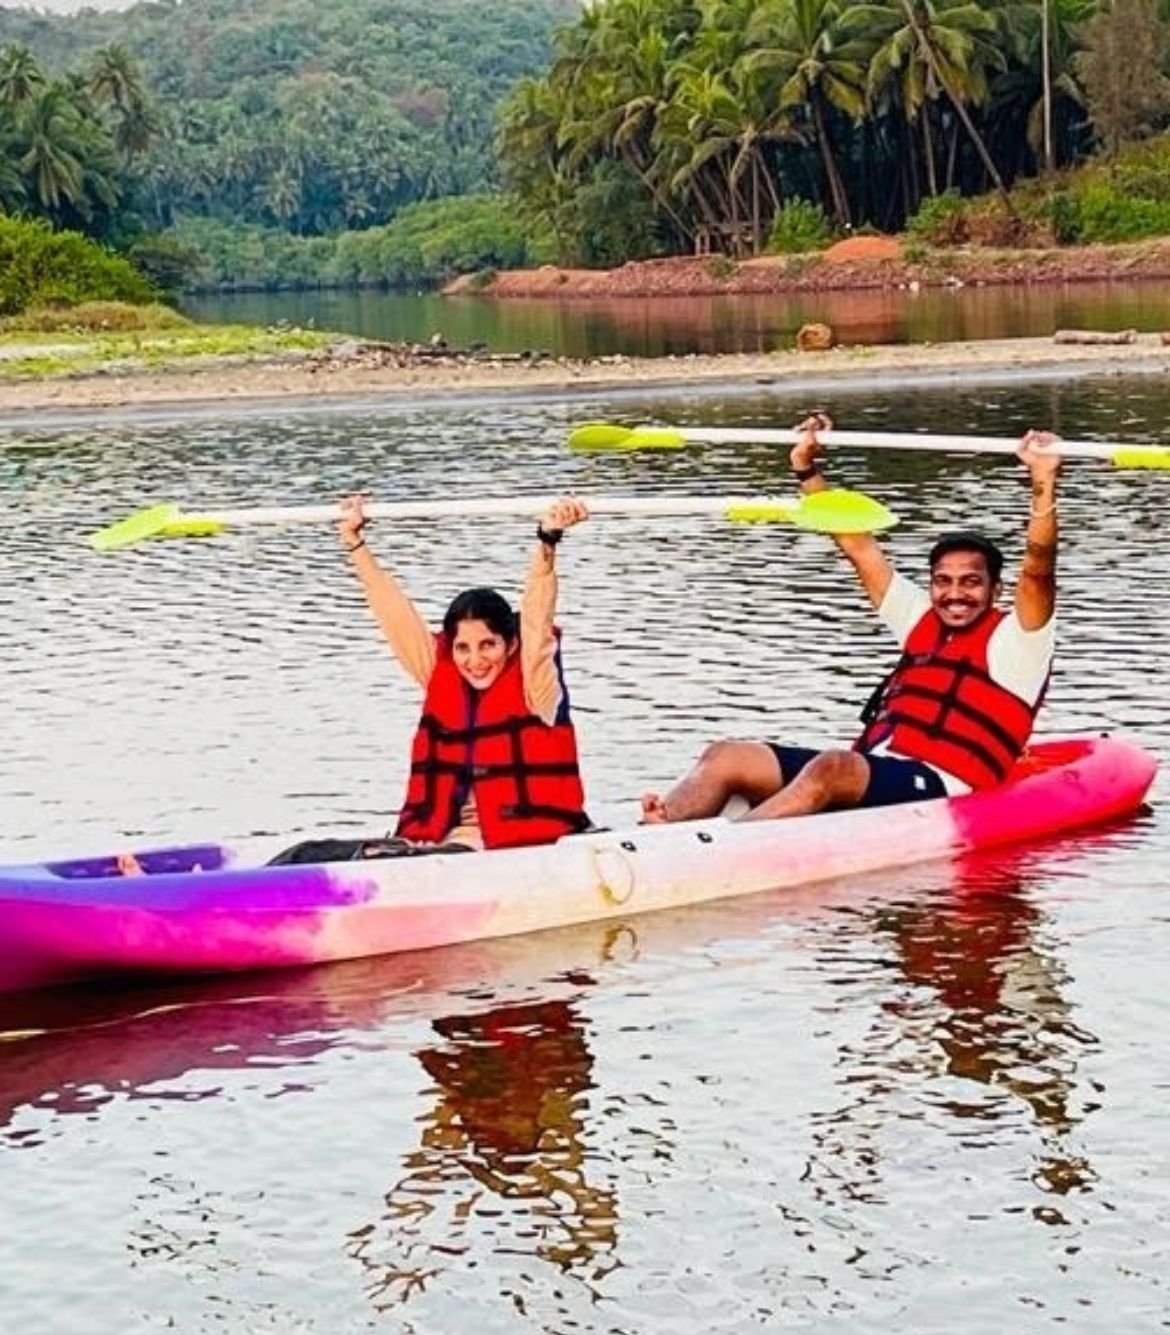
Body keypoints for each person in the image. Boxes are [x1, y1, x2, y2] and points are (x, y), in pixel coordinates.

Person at [641, 413, 1061, 824]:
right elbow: (855, 543)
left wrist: (1042, 483)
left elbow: (1038, 567)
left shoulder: (1019, 641)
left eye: (971, 582)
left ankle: (731, 845)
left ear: (996, 590)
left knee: (833, 766)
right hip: (875, 766)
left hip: (943, 782)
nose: (955, 594)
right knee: (727, 755)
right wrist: (805, 468)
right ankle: (657, 831)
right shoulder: (920, 620)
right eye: (943, 581)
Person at [333, 491, 593, 852]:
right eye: (463, 648)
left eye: (488, 645)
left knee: (419, 857)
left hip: (497, 842)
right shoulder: (440, 673)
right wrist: (354, 542)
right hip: (430, 836)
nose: (475, 660)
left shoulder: (537, 688)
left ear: (511, 644)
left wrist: (547, 542)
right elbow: (393, 612)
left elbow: (537, 618)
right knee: (306, 854)